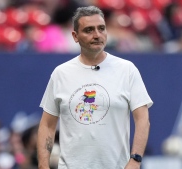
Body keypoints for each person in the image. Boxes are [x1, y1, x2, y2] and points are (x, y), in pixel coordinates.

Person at [37, 6, 153, 169]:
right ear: (75, 36)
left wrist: (135, 160)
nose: (97, 35)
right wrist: (43, 165)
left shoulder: (127, 70)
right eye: (89, 30)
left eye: (101, 29)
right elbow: (47, 125)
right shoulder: (61, 73)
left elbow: (142, 119)